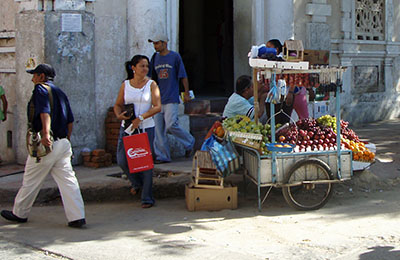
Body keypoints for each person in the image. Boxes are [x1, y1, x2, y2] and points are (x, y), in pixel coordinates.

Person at [0, 64, 86, 228]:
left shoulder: (40, 90)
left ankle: (19, 213)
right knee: (68, 181)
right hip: (62, 144)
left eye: (34, 75)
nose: (32, 78)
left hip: (47, 144)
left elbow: (44, 112)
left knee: (31, 180)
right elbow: (70, 120)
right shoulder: (60, 92)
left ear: (41, 76)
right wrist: (66, 140)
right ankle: (77, 217)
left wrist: (46, 134)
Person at [114, 55, 161, 208]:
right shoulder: (125, 84)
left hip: (145, 127)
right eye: (142, 65)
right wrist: (118, 115)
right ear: (133, 68)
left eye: (147, 66)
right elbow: (118, 104)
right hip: (127, 127)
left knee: (145, 163)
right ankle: (137, 183)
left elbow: (157, 106)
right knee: (122, 159)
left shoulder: (152, 85)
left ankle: (147, 197)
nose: (145, 68)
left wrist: (140, 118)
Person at [148, 33, 195, 164]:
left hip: (171, 97)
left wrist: (186, 92)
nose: (155, 46)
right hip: (158, 98)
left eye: (157, 43)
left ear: (164, 43)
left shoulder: (174, 57)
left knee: (170, 125)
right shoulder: (154, 58)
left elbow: (183, 75)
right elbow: (152, 77)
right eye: (154, 43)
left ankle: (189, 142)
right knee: (158, 129)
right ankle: (162, 156)